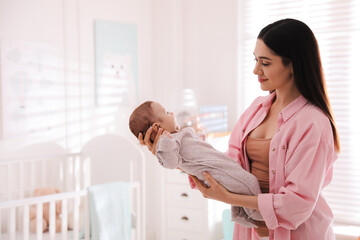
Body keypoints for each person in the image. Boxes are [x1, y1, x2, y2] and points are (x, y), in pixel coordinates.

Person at [139, 18, 339, 240]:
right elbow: (229, 166)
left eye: (265, 63)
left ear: (292, 64)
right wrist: (178, 157)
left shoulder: (313, 123)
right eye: (255, 60)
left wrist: (229, 198)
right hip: (252, 231)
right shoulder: (256, 109)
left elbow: (297, 204)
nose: (255, 70)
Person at [129, 101, 263, 227]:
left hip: (219, 164)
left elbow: (198, 149)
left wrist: (201, 137)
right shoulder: (169, 143)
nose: (172, 114)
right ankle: (258, 214)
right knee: (248, 182)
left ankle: (243, 213)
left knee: (238, 184)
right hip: (216, 171)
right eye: (167, 112)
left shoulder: (180, 133)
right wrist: (164, 143)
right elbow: (170, 163)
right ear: (158, 127)